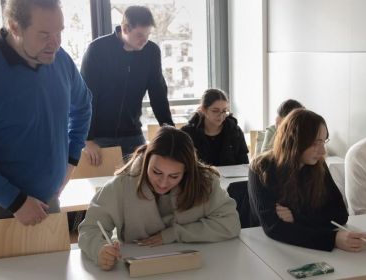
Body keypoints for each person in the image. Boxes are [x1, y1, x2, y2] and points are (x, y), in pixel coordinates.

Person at [0, 0, 92, 225]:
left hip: (48, 201)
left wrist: (72, 160)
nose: (55, 43)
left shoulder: (60, 59)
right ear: (15, 27)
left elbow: (82, 108)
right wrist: (16, 202)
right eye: (44, 35)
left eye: (59, 32)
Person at [78, 126, 241, 270]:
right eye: (156, 172)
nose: (163, 183)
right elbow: (89, 228)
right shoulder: (122, 184)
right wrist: (99, 249)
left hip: (193, 266)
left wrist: (175, 234)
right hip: (138, 268)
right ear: (147, 160)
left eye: (174, 176)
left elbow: (230, 223)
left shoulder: (204, 182)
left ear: (187, 172)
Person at [248, 109, 366, 251]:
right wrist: (332, 239)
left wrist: (296, 217)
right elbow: (274, 227)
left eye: (324, 142)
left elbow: (340, 215)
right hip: (267, 248)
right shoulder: (261, 168)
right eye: (315, 143)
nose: (323, 151)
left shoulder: (317, 164)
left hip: (303, 245)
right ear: (294, 140)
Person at [81, 5, 174, 164]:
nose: (144, 40)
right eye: (139, 35)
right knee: (104, 186)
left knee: (138, 185)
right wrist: (87, 139)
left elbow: (157, 91)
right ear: (125, 28)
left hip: (133, 133)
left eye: (148, 34)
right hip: (99, 137)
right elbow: (87, 96)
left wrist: (168, 127)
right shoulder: (98, 49)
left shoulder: (151, 52)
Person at [181, 88, 249, 166]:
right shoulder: (188, 133)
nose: (221, 116)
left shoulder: (235, 131)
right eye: (215, 111)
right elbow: (182, 165)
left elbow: (244, 164)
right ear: (204, 109)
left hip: (232, 178)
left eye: (224, 111)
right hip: (200, 178)